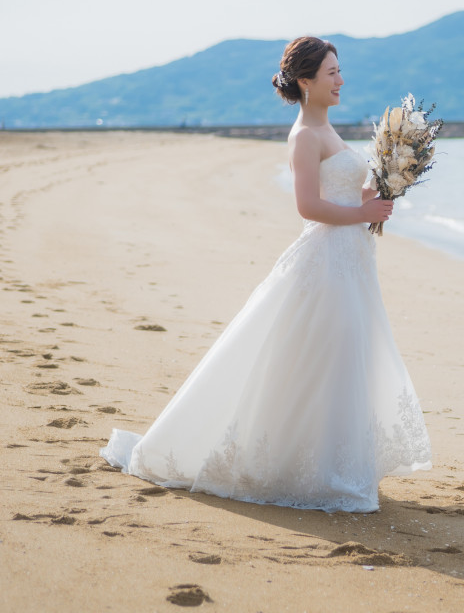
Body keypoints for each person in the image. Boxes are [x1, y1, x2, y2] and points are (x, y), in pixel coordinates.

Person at [101, 37, 432, 513]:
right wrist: (362, 213)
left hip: (352, 259)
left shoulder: (330, 130)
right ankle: (310, 470)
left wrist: (376, 196)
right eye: (332, 72)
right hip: (326, 261)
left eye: (340, 71)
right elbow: (308, 207)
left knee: (344, 357)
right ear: (306, 81)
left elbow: (340, 195)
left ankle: (334, 464)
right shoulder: (304, 136)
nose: (341, 80)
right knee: (324, 355)